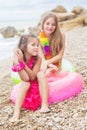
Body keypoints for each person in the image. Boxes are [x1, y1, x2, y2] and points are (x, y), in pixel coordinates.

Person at [10, 34, 43, 122]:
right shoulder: (18, 59)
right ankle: (16, 113)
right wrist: (16, 59)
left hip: (36, 83)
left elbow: (32, 77)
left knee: (29, 82)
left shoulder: (38, 59)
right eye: (33, 45)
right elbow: (25, 79)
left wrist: (22, 63)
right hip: (26, 84)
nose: (36, 47)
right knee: (25, 84)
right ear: (24, 47)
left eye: (37, 45)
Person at [37, 12, 65, 110]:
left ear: (56, 26)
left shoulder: (61, 36)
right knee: (42, 74)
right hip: (43, 64)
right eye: (47, 23)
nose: (50, 26)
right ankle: (44, 103)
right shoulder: (39, 39)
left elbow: (60, 55)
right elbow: (41, 58)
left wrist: (49, 64)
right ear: (43, 24)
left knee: (52, 73)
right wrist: (46, 65)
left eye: (53, 24)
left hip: (55, 63)